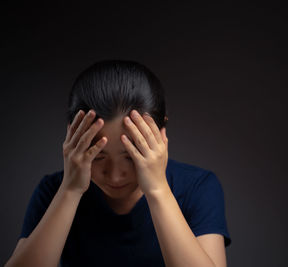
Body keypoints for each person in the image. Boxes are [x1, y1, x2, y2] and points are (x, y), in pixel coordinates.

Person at [5, 60, 231, 267]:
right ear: (72, 137)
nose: (114, 175)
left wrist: (158, 190)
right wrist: (70, 190)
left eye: (131, 156)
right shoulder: (53, 192)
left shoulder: (197, 188)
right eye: (98, 156)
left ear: (161, 135)